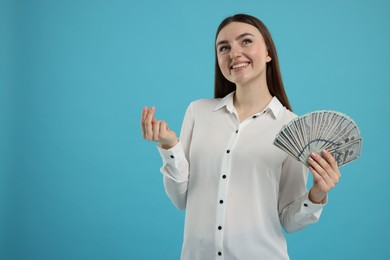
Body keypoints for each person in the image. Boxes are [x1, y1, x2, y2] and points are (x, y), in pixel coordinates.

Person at [141, 13, 341, 260]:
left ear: (268, 52)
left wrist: (317, 194)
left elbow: (290, 221)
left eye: (245, 41)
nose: (233, 53)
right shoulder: (198, 112)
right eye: (224, 47)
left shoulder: (292, 127)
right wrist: (169, 146)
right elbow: (181, 199)